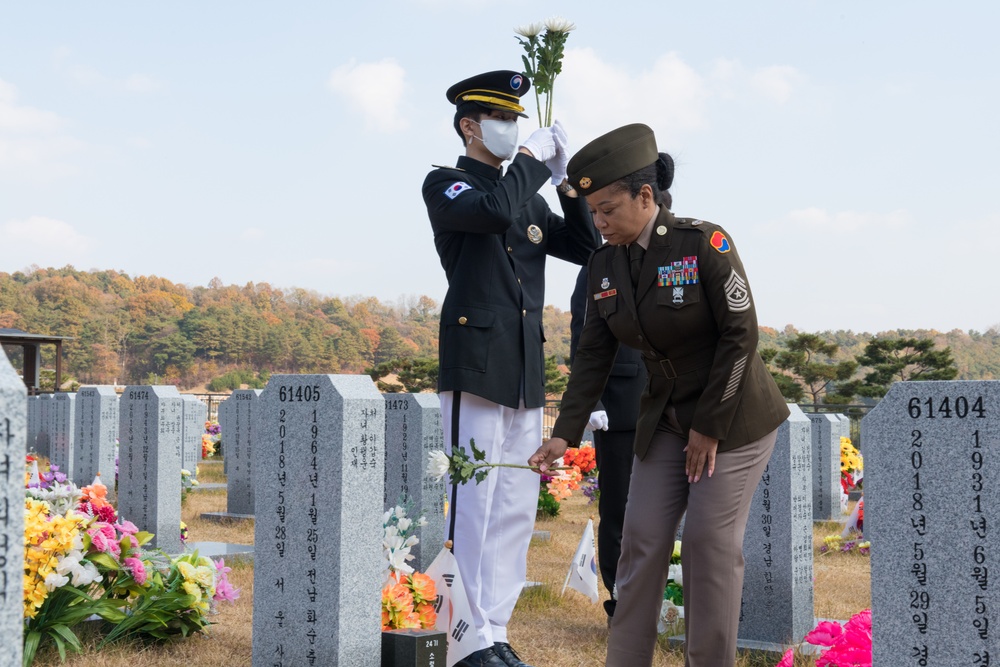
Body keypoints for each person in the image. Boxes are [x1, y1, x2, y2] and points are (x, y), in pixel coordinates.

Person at [528, 123, 790, 667]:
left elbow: (742, 335)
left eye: (607, 209)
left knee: (706, 547)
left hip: (734, 417)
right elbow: (592, 358)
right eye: (592, 212)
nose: (598, 223)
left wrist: (710, 427)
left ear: (645, 196)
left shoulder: (704, 244)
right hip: (667, 417)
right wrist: (562, 434)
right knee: (639, 541)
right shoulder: (604, 265)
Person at [422, 70, 600, 667]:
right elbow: (494, 211)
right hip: (475, 365)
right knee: (473, 501)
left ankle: (493, 630)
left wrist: (569, 184)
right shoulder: (446, 185)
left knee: (515, 503)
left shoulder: (525, 192)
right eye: (501, 121)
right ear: (471, 126)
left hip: (523, 367)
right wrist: (528, 159)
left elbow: (585, 247)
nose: (512, 129)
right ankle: (462, 635)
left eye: (519, 122)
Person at [569, 265, 646, 622]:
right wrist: (592, 402)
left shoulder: (677, 258)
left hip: (672, 402)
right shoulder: (600, 265)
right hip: (618, 404)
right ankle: (623, 605)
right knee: (619, 509)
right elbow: (583, 334)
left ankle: (667, 598)